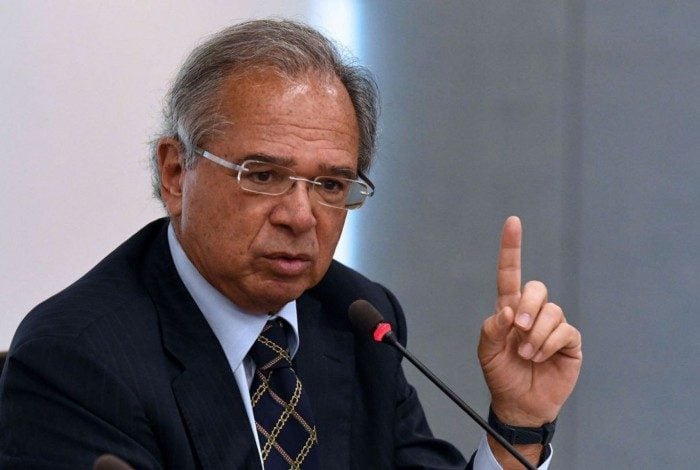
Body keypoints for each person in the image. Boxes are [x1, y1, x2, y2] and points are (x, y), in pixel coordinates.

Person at [0, 19, 582, 469]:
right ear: (176, 173)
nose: (301, 216)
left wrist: (518, 423)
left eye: (330, 185)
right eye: (262, 174)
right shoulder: (77, 358)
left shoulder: (357, 318)